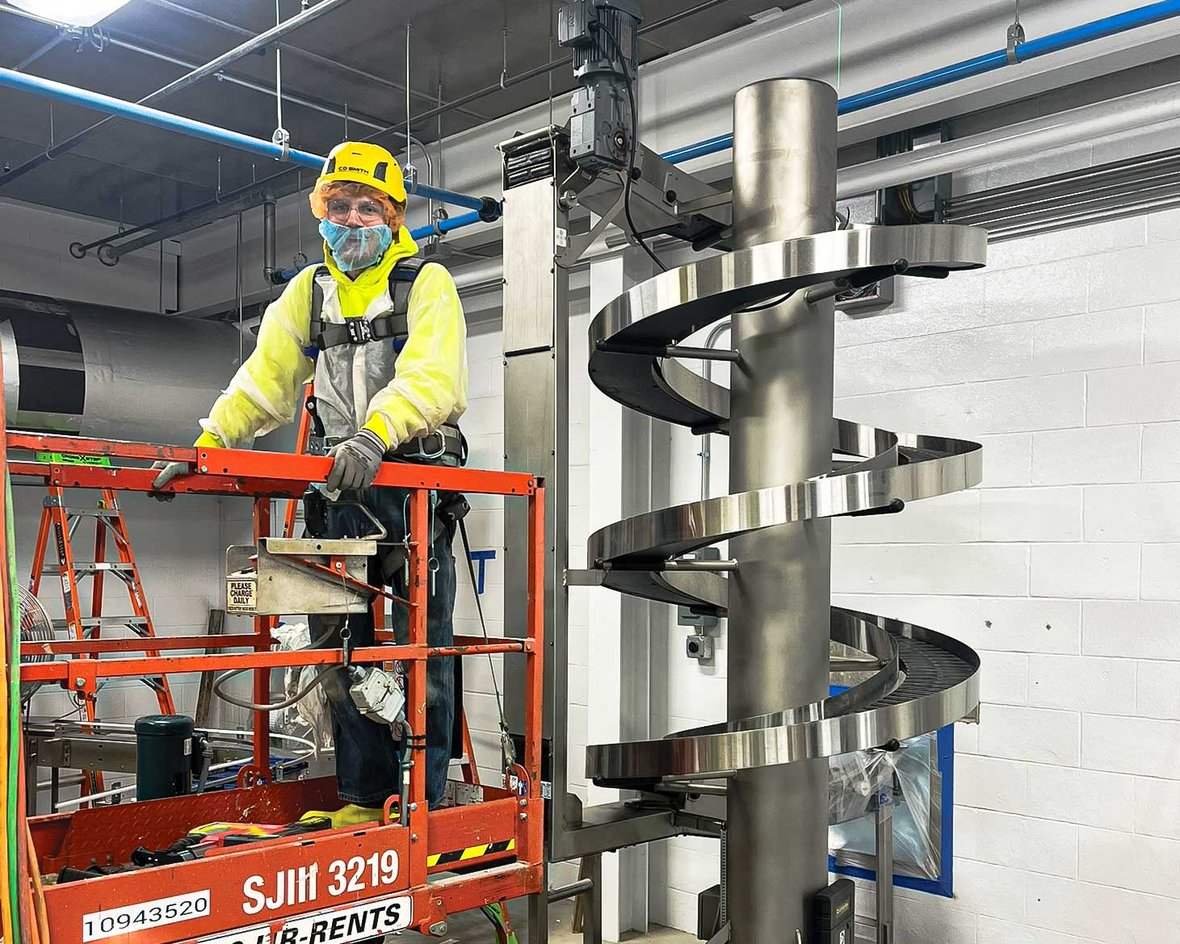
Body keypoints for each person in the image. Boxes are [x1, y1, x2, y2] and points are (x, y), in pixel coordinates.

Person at [154, 141, 468, 823]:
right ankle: (362, 795)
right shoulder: (309, 293)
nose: (352, 221)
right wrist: (209, 445)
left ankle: (422, 799)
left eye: (367, 208)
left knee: (425, 647)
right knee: (339, 643)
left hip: (409, 486)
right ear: (321, 214)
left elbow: (432, 378)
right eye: (339, 207)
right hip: (339, 492)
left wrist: (375, 433)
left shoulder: (425, 283)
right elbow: (264, 380)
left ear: (393, 216)